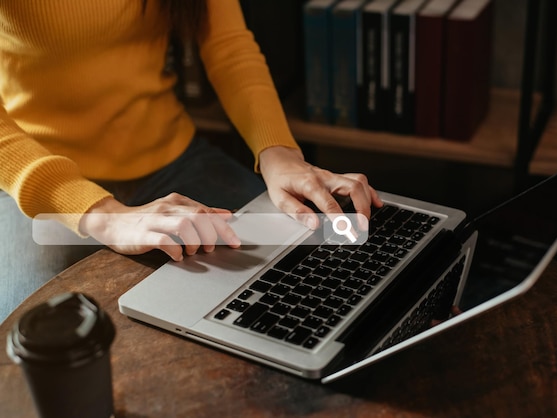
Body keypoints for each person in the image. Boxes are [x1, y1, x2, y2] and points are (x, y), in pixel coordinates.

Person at [0, 1, 382, 321]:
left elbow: (229, 47)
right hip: (39, 184)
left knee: (325, 274)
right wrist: (106, 216)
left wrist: (279, 154)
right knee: (29, 341)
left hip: (173, 160)